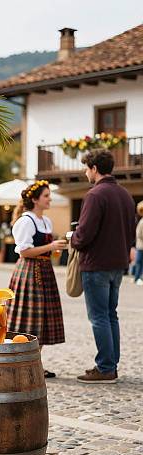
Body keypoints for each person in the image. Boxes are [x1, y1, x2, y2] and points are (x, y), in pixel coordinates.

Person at [71, 150, 135, 383]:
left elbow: (84, 234)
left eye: (87, 168)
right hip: (117, 263)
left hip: (96, 263)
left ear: (95, 168)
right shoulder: (125, 195)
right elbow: (130, 233)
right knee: (111, 315)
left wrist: (73, 238)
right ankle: (111, 365)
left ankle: (106, 368)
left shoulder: (95, 195)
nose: (85, 172)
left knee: (99, 317)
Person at [7, 180, 67, 378]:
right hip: (29, 272)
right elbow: (24, 252)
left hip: (44, 270)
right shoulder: (26, 221)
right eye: (46, 196)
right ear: (35, 199)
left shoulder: (46, 221)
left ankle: (35, 364)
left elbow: (41, 249)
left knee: (41, 319)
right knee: (28, 321)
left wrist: (53, 250)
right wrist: (50, 248)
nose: (50, 199)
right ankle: (23, 365)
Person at [134, 201, 143, 286]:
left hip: (140, 246)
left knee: (139, 263)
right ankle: (138, 278)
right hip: (141, 246)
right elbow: (140, 234)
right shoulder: (142, 222)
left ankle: (138, 278)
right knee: (139, 263)